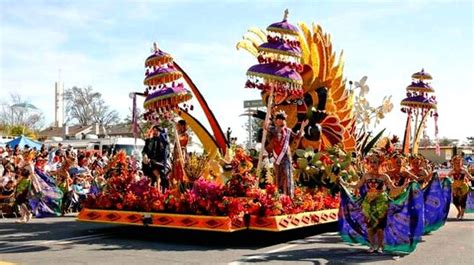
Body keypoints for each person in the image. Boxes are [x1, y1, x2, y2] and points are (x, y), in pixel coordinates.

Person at [342, 153, 408, 253]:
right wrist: (345, 184)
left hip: (381, 203)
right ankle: (372, 246)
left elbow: (392, 188)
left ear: (379, 163)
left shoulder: (384, 176)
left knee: (380, 227)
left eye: (375, 162)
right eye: (371, 162)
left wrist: (403, 187)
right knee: (369, 226)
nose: (372, 164)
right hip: (368, 203)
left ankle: (380, 246)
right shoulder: (366, 175)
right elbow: (357, 186)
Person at [265, 110, 308, 198]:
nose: (280, 120)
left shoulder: (288, 130)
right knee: (278, 175)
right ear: (276, 120)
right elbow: (266, 127)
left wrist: (302, 127)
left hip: (286, 156)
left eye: (282, 119)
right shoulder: (273, 129)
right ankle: (278, 194)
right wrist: (268, 116)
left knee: (286, 174)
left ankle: (287, 195)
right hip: (277, 156)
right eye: (279, 119)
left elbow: (297, 136)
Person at [142, 125, 170, 192]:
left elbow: (167, 153)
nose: (154, 132)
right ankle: (153, 190)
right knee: (152, 176)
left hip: (161, 163)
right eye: (153, 130)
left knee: (159, 176)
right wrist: (145, 155)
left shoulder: (164, 141)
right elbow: (144, 151)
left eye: (156, 131)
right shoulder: (149, 140)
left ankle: (159, 191)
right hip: (150, 162)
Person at [447, 155, 474, 220]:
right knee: (455, 201)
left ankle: (462, 214)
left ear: (461, 163)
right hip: (455, 187)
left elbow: (470, 177)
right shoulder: (452, 171)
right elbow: (447, 177)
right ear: (453, 163)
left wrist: (472, 178)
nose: (457, 164)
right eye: (456, 163)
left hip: (463, 187)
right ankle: (459, 212)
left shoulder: (464, 170)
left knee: (463, 201)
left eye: (459, 162)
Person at [170, 120, 189, 186]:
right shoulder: (178, 134)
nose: (177, 126)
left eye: (178, 125)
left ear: (182, 126)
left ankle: (181, 188)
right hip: (175, 156)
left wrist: (177, 137)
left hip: (181, 156)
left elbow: (182, 143)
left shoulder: (185, 135)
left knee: (180, 172)